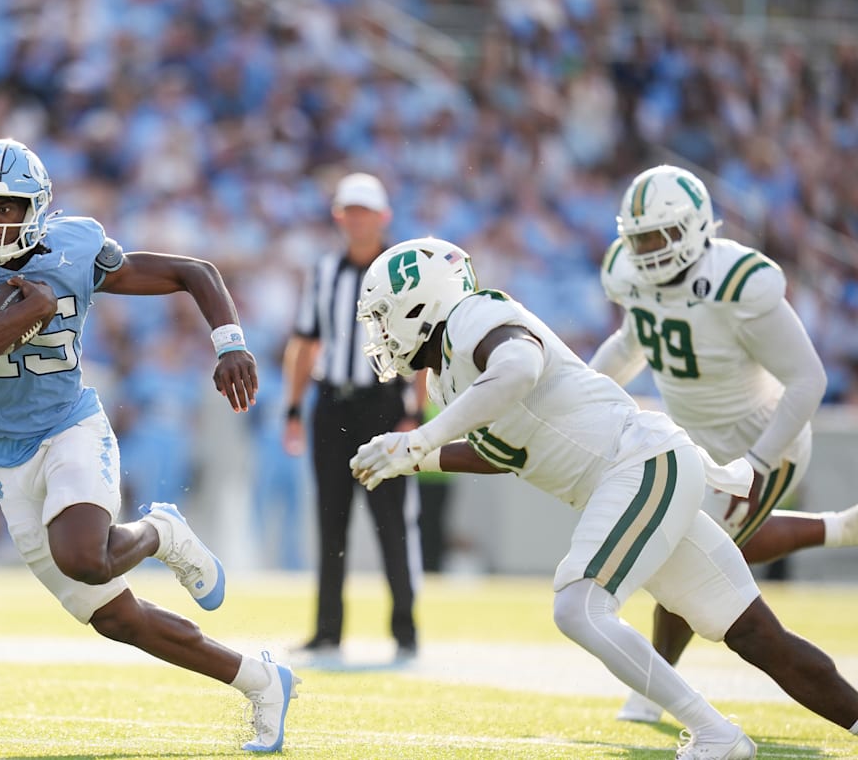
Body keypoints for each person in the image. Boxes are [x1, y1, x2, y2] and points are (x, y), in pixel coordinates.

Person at [349, 237, 858, 759]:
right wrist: (412, 457)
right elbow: (501, 451)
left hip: (638, 463)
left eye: (386, 317)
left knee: (579, 606)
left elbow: (518, 370)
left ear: (422, 302)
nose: (382, 334)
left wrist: (422, 439)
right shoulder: (444, 381)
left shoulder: (474, 315)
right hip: (644, 471)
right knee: (755, 634)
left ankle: (716, 735)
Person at [0, 137, 298, 753]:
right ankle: (262, 681)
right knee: (116, 618)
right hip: (5, 454)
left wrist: (230, 343)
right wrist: (29, 310)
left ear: (36, 209)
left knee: (84, 555)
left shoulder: (74, 248)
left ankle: (160, 532)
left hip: (69, 427)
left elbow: (196, 272)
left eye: (7, 208)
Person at [590, 164, 858, 724]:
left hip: (762, 440)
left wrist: (759, 461)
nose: (647, 249)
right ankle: (838, 528)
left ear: (692, 229)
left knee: (684, 558)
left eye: (659, 235)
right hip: (692, 440)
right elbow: (633, 340)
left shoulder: (739, 281)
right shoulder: (627, 273)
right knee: (701, 551)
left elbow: (808, 379)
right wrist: (587, 391)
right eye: (637, 237)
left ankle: (650, 690)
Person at [280, 172, 421, 662]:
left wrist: (416, 413)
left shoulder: (404, 273)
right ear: (340, 216)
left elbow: (423, 349)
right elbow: (305, 341)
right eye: (349, 211)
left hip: (383, 405)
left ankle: (405, 631)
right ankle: (327, 630)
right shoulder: (323, 272)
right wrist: (294, 408)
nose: (356, 220)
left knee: (391, 522)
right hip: (332, 403)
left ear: (382, 217)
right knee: (330, 519)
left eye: (365, 211)